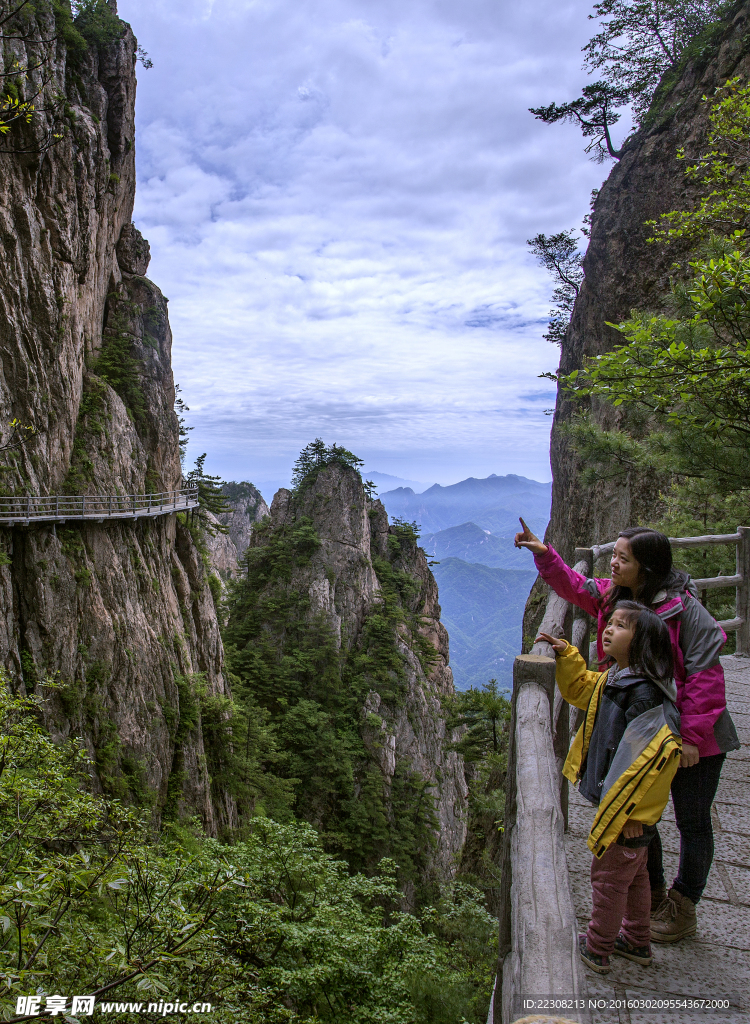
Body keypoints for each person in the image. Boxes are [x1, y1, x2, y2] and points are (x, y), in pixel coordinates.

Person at [517, 520, 740, 943]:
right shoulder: (618, 599)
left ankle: (683, 906)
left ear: (647, 567)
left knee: (692, 821)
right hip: (640, 730)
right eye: (615, 555)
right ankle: (650, 897)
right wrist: (544, 555)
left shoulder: (685, 611)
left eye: (623, 558)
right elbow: (577, 586)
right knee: (637, 815)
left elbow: (706, 677)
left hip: (694, 737)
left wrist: (691, 738)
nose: (614, 564)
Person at [537, 601, 682, 975]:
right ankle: (637, 940)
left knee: (608, 880)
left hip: (629, 813)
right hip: (628, 810)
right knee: (634, 878)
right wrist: (568, 654)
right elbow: (581, 689)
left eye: (620, 626)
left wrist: (635, 815)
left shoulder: (645, 697)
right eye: (611, 622)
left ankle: (598, 947)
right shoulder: (618, 679)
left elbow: (654, 763)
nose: (609, 629)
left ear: (641, 642)